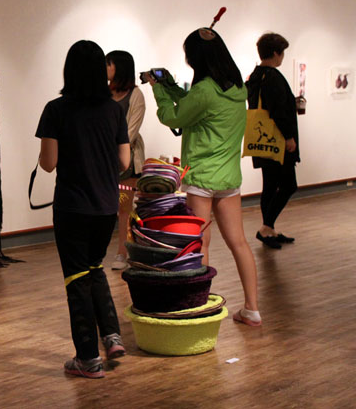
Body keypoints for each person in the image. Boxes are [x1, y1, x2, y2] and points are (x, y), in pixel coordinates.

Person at [142, 27, 261, 327]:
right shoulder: (237, 88)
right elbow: (193, 103)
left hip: (202, 180)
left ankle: (199, 306)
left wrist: (158, 89)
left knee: (200, 244)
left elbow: (172, 116)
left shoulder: (205, 90)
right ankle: (252, 309)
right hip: (229, 178)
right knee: (239, 243)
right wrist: (171, 85)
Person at [36, 40, 130, 378]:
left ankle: (88, 359)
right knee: (95, 268)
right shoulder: (114, 110)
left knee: (77, 278)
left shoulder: (56, 109)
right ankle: (112, 335)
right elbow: (124, 161)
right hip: (106, 206)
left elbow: (49, 163)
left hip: (73, 208)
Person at [246, 33, 299, 250]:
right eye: (282, 53)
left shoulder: (255, 76)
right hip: (276, 140)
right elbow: (278, 111)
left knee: (269, 185)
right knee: (288, 185)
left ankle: (269, 229)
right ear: (276, 53)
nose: (282, 57)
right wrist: (289, 137)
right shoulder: (273, 77)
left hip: (261, 139)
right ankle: (266, 227)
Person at [105, 50, 146, 270]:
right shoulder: (103, 93)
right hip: (103, 159)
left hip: (126, 161)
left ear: (119, 67)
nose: (105, 68)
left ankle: (123, 252)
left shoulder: (135, 95)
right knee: (106, 207)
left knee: (124, 208)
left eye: (108, 64)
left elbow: (131, 132)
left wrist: (112, 150)